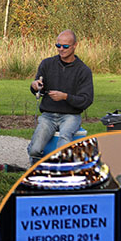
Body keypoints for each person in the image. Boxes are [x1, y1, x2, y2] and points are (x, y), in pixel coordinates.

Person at [28, 30, 93, 164]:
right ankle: (36, 170)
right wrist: (35, 86)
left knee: (64, 141)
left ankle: (60, 172)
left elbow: (86, 100)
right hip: (48, 114)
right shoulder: (46, 64)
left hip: (71, 116)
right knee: (34, 150)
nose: (61, 49)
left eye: (65, 46)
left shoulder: (83, 70)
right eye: (58, 46)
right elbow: (38, 88)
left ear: (75, 45)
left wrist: (65, 97)